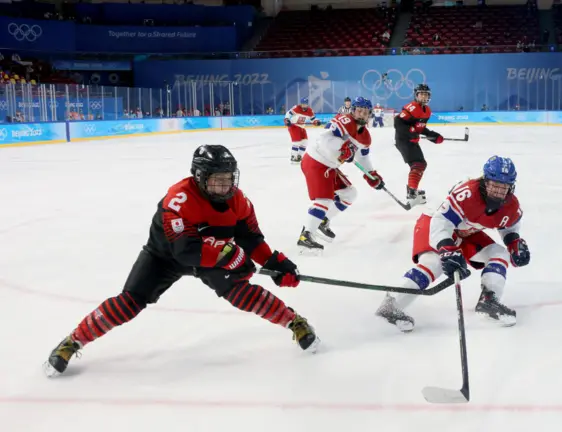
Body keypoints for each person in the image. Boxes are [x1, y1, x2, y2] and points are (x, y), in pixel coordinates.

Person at [44, 145, 319, 377]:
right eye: (216, 179)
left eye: (228, 178)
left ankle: (294, 322)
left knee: (240, 292)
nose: (224, 186)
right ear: (199, 177)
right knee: (129, 301)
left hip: (211, 254)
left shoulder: (239, 201)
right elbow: (185, 252)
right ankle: (74, 340)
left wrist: (276, 263)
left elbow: (252, 239)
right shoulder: (179, 199)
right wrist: (230, 257)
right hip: (164, 256)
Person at [375, 156, 530, 332]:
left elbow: (508, 224)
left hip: (466, 231)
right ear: (485, 181)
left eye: (504, 187)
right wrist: (447, 248)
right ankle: (390, 305)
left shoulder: (511, 204)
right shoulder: (467, 193)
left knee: (499, 254)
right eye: (495, 185)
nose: (498, 191)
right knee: (434, 263)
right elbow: (441, 221)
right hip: (434, 221)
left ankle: (489, 300)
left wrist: (514, 243)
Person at [298, 97, 385, 253]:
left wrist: (371, 174)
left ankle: (323, 221)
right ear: (353, 110)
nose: (362, 114)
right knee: (324, 200)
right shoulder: (344, 120)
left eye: (365, 112)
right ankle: (306, 235)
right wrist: (342, 146)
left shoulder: (365, 137)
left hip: (330, 166)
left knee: (349, 194)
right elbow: (324, 139)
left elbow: (362, 157)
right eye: (359, 110)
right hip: (316, 161)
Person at [394, 84, 444, 208]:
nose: (424, 96)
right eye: (421, 94)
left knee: (420, 164)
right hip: (403, 140)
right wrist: (411, 133)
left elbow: (420, 129)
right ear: (416, 95)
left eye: (426, 94)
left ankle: (412, 191)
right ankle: (412, 193)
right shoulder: (412, 107)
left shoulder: (427, 110)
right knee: (418, 164)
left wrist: (434, 136)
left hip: (412, 141)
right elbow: (398, 122)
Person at [285, 97, 321, 163]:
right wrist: (287, 120)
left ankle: (299, 156)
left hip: (302, 127)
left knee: (305, 142)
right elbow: (288, 114)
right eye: (303, 104)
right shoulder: (296, 108)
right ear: (301, 104)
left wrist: (316, 122)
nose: (304, 105)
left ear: (307, 104)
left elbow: (313, 119)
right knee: (296, 142)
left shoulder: (310, 110)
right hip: (294, 126)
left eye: (305, 104)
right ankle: (293, 156)